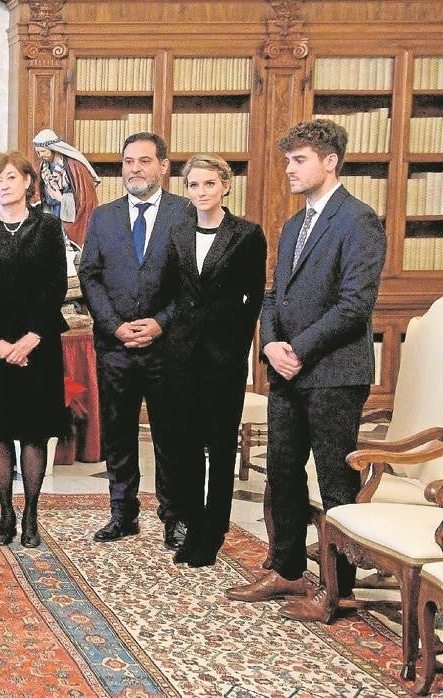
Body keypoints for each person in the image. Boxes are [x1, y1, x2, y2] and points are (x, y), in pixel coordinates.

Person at [226, 119, 386, 621]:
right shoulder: (295, 223)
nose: (289, 169)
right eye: (288, 159)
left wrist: (297, 348)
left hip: (335, 372)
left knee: (336, 482)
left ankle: (336, 591)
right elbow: (272, 294)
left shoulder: (360, 221)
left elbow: (354, 305)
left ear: (330, 161)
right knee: (282, 473)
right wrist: (271, 343)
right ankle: (288, 568)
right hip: (287, 371)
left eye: (299, 160)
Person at [77, 132, 189, 550]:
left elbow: (191, 283)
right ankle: (122, 516)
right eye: (128, 162)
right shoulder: (103, 217)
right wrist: (113, 325)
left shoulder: (185, 213)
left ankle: (174, 518)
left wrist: (160, 323)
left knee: (170, 437)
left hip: (167, 347)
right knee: (118, 434)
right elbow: (90, 274)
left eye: (144, 161)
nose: (135, 169)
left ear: (163, 165)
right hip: (115, 346)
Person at [0, 151, 70, 548]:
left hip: (38, 345)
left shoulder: (48, 227)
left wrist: (31, 338)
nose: (2, 186)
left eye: (9, 178)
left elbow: (55, 286)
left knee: (35, 432)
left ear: (27, 181)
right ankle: (6, 512)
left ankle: (32, 514)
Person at [163, 154, 267, 567]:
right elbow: (171, 291)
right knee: (184, 446)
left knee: (220, 447)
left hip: (223, 357)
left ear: (225, 185)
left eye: (209, 184)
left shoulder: (246, 234)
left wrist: (235, 348)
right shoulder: (178, 231)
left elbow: (254, 298)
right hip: (181, 355)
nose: (201, 192)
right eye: (193, 185)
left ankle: (213, 532)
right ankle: (190, 524)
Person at [32, 129, 100, 247]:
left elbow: (83, 196)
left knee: (64, 241)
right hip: (51, 208)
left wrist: (61, 198)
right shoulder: (45, 165)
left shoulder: (73, 165)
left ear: (53, 148)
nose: (40, 155)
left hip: (68, 212)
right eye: (38, 153)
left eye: (43, 151)